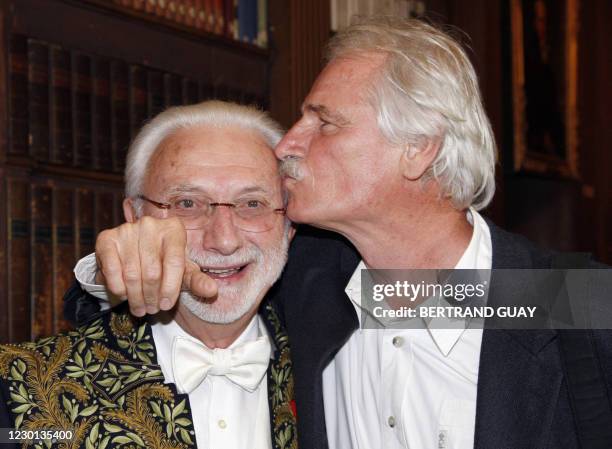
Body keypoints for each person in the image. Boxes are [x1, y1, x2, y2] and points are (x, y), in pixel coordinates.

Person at [65, 17, 612, 449]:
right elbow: (131, 323)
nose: (287, 145)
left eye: (323, 122)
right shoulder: (311, 279)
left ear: (418, 147)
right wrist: (123, 263)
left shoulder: (570, 303)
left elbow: (467, 302)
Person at [0, 101, 298, 449]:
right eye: (188, 203)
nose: (224, 240)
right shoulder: (18, 384)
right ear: (135, 218)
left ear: (289, 225)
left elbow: (379, 294)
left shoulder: (334, 352)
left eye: (252, 204)